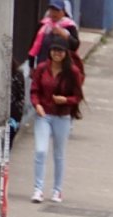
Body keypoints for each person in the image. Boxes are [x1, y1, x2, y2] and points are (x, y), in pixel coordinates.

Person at [29, 35, 83, 204]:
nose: (56, 53)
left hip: (62, 116)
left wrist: (66, 100)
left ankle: (57, 190)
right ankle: (38, 189)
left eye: (60, 50)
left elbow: (78, 96)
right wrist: (37, 105)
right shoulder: (42, 69)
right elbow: (34, 90)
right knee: (40, 151)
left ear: (66, 53)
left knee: (59, 154)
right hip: (44, 115)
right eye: (54, 50)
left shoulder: (72, 72)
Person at [27, 0, 79, 68]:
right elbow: (33, 46)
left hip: (63, 67)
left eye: (57, 10)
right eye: (52, 10)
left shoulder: (70, 26)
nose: (54, 13)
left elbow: (75, 45)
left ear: (63, 12)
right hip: (43, 66)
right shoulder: (43, 25)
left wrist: (65, 35)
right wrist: (31, 66)